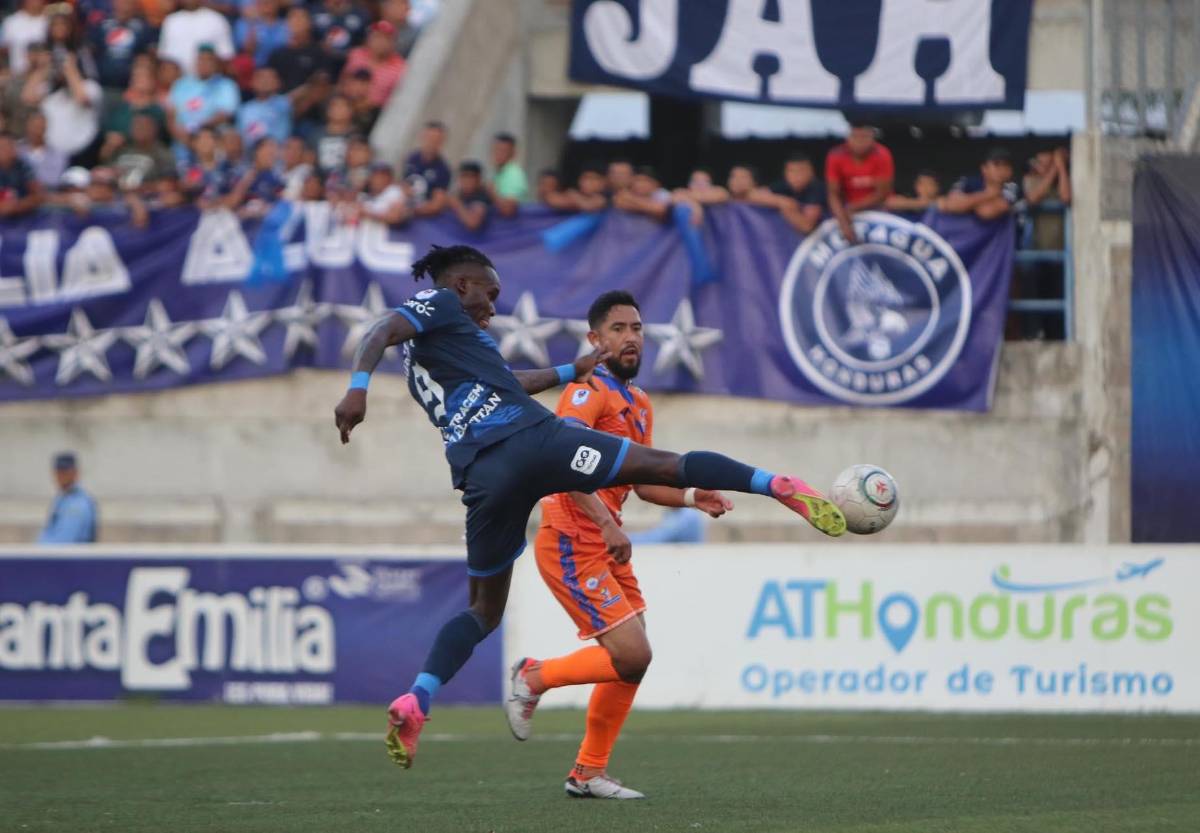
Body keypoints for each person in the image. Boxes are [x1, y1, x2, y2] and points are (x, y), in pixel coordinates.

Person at [331, 244, 847, 772]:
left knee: (484, 611)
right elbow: (378, 331)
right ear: (461, 285)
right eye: (490, 293)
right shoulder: (438, 303)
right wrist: (357, 390)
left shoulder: (438, 351)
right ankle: (774, 483)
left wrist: (567, 369)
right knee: (664, 464)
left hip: (483, 478)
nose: (493, 306)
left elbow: (507, 385)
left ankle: (418, 697)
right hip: (533, 443)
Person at [523, 290, 732, 799]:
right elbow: (559, 462)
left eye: (637, 327)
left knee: (633, 661)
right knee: (632, 655)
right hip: (573, 536)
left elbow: (641, 482)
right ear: (594, 339)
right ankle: (533, 678)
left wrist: (688, 495)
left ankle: (588, 772)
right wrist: (607, 522)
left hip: (605, 540)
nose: (631, 337)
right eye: (618, 329)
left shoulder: (638, 402)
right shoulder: (585, 389)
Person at [825, 122, 894, 243]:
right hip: (846, 207)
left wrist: (854, 208)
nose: (860, 142)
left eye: (864, 137)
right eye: (855, 137)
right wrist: (843, 222)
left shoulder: (882, 154)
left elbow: (882, 193)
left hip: (877, 207)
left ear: (873, 138)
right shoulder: (835, 155)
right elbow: (833, 193)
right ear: (848, 138)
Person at [167, 45, 240, 151]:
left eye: (208, 60)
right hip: (182, 137)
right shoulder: (181, 84)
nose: (204, 64)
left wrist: (198, 131)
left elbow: (225, 115)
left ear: (215, 63)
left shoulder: (225, 85)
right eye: (201, 59)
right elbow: (170, 114)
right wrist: (180, 134)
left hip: (213, 136)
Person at [939, 147, 1032, 221]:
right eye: (996, 164)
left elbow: (986, 212)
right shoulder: (968, 181)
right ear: (984, 168)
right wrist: (989, 194)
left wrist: (967, 203)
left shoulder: (1012, 187)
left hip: (1005, 242)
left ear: (1010, 171)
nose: (1001, 170)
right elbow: (951, 205)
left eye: (1006, 165)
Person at [158, 0, 235, 77]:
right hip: (177, 82)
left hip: (210, 82)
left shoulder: (216, 19)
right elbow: (164, 56)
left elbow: (226, 56)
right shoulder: (171, 21)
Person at [91, 0, 156, 91]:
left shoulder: (143, 28)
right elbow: (92, 51)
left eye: (128, 2)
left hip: (131, 87)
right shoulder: (101, 25)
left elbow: (147, 56)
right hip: (103, 83)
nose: (124, 4)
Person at [341, 21, 406, 108]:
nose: (380, 42)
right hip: (348, 108)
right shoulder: (356, 55)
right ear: (368, 39)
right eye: (376, 37)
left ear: (393, 42)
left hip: (377, 113)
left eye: (386, 38)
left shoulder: (401, 68)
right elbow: (343, 81)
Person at [37, 452, 98, 544]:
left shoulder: (78, 504)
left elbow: (63, 541)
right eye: (58, 472)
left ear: (75, 473)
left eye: (65, 472)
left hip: (72, 557)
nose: (61, 476)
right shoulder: (62, 499)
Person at [112, 112, 175, 191]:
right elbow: (110, 172)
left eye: (143, 126)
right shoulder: (123, 150)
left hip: (148, 198)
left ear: (154, 129)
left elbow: (168, 185)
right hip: (115, 197)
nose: (139, 129)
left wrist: (138, 187)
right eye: (136, 126)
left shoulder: (163, 154)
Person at [766, 154, 825, 234]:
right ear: (785, 173)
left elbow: (807, 226)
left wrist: (786, 205)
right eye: (791, 171)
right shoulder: (783, 185)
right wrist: (781, 201)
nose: (797, 175)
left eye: (802, 170)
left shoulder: (818, 188)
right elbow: (753, 195)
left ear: (811, 172)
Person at [402, 120, 450, 216]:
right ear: (422, 137)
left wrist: (412, 210)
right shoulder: (412, 158)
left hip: (420, 216)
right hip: (401, 207)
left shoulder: (443, 170)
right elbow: (402, 183)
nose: (432, 142)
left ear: (441, 142)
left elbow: (436, 205)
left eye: (436, 139)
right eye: (429, 138)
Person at [237, 66, 294, 146]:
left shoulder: (286, 103)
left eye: (270, 78)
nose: (265, 81)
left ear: (278, 83)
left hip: (281, 153)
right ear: (252, 82)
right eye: (261, 77)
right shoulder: (244, 109)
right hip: (252, 155)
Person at [234, 0, 291, 69]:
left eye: (270, 2)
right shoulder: (244, 23)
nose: (266, 4)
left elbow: (290, 47)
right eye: (263, 2)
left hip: (282, 66)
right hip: (255, 68)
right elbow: (248, 50)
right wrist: (252, 24)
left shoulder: (285, 24)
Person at [18, 111, 66, 188]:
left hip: (49, 195)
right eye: (34, 126)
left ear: (46, 128)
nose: (37, 130)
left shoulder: (58, 154)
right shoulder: (16, 150)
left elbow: (55, 180)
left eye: (41, 127)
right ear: (27, 126)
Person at [0, 131, 43, 218]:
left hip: (24, 217)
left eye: (8, 146)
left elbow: (38, 195)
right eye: (1, 147)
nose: (5, 150)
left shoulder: (24, 166)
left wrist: (18, 206)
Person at [1, 0, 48, 76]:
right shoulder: (11, 22)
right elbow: (3, 50)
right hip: (17, 76)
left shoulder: (51, 22)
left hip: (45, 77)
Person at [355, 160, 407, 225]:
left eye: (384, 176)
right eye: (376, 175)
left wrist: (367, 214)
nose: (379, 179)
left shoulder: (394, 192)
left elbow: (395, 217)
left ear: (391, 178)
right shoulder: (364, 193)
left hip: (390, 233)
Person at [489, 131, 527, 217]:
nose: (498, 154)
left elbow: (508, 210)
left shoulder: (514, 174)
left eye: (503, 150)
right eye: (496, 149)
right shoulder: (499, 173)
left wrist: (491, 192)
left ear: (513, 153)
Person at [447, 159, 491, 231]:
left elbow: (473, 223)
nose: (467, 181)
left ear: (478, 179)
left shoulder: (482, 196)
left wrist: (456, 204)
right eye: (464, 176)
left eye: (471, 177)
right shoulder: (458, 194)